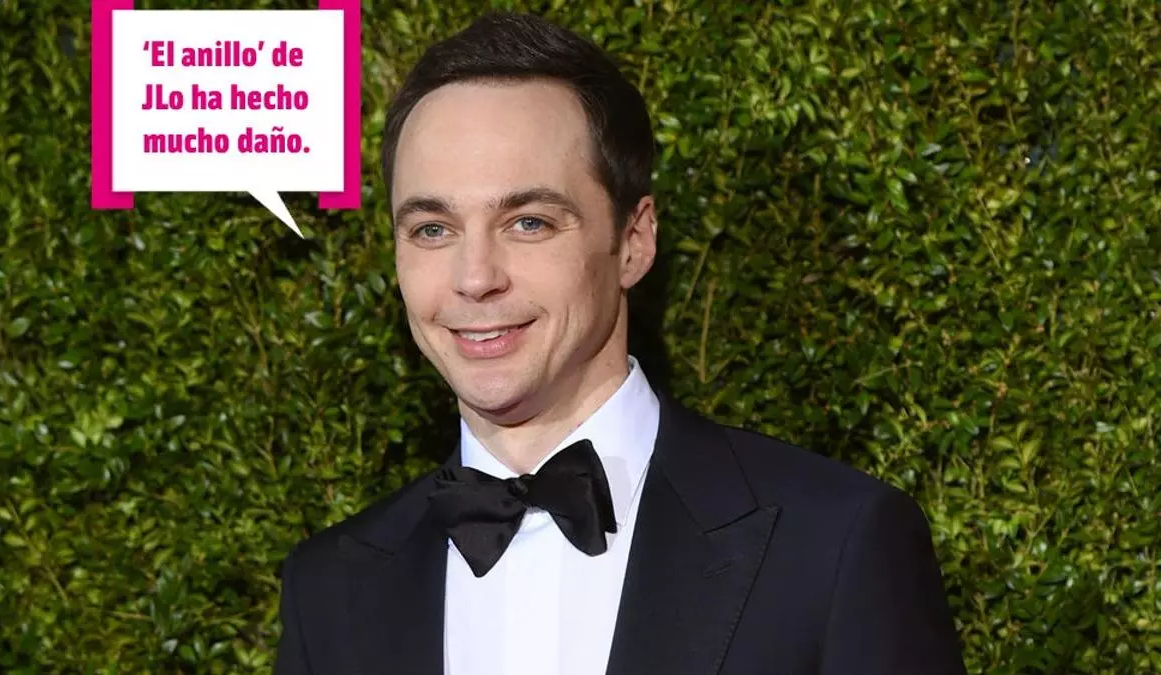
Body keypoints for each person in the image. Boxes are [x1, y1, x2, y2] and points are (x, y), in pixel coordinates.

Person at [274, 11, 967, 675]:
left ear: (633, 241)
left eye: (529, 222)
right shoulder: (329, 590)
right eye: (433, 229)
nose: (475, 278)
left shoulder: (833, 545)